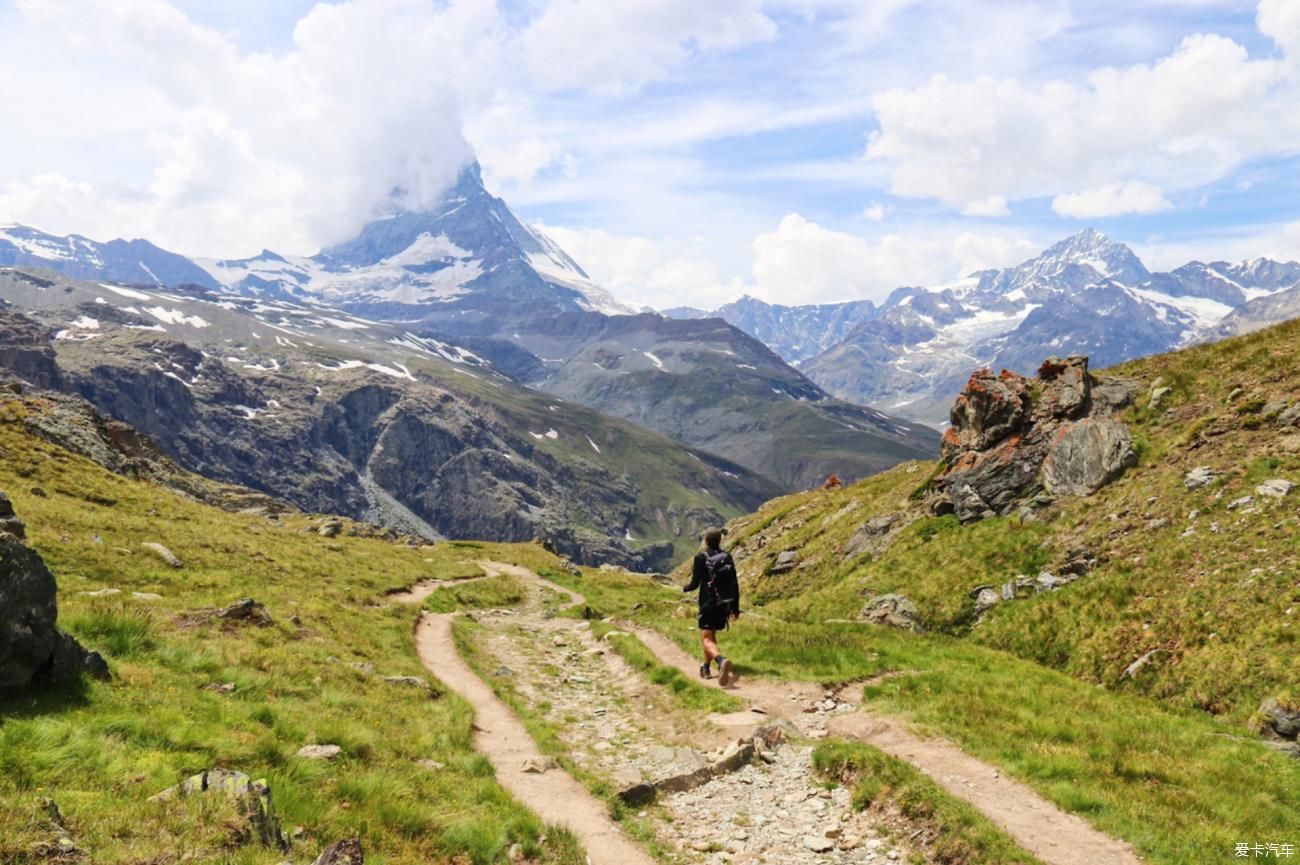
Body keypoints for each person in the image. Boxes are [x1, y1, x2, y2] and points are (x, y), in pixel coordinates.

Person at [683, 528, 741, 685]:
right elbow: (734, 584)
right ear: (719, 540)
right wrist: (735, 608)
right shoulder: (727, 557)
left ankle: (721, 661)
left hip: (708, 604)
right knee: (710, 636)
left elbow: (695, 584)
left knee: (706, 638)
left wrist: (685, 588)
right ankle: (706, 667)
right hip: (724, 603)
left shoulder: (700, 557)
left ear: (706, 540)